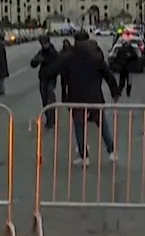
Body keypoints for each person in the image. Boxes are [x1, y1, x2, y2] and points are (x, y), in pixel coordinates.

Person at [51, 31, 122, 165]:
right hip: (94, 96)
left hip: (76, 97)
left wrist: (63, 94)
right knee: (102, 124)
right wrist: (115, 91)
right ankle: (111, 150)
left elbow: (56, 71)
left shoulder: (69, 57)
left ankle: (84, 156)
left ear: (75, 41)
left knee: (79, 126)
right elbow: (108, 75)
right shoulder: (95, 57)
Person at [31, 35, 60, 128]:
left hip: (51, 78)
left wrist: (45, 61)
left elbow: (57, 65)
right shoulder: (41, 52)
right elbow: (33, 63)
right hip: (43, 78)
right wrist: (36, 61)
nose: (43, 45)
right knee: (44, 100)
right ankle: (49, 118)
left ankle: (52, 120)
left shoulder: (53, 53)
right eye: (42, 43)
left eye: (44, 43)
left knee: (50, 99)